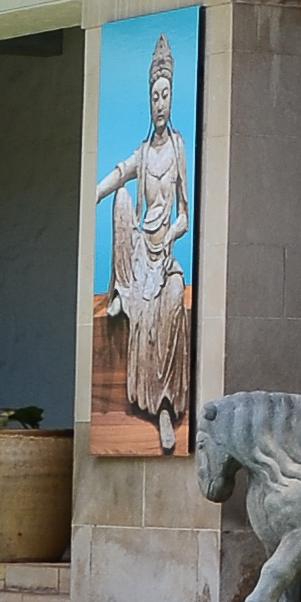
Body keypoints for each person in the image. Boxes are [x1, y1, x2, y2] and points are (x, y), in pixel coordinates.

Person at [87, 30, 199, 454]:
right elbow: (119, 173)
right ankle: (121, 291)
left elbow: (185, 215)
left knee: (171, 304)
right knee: (120, 199)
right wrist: (92, 193)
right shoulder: (143, 151)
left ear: (172, 100)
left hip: (164, 254)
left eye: (165, 95)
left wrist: (171, 232)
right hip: (138, 256)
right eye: (154, 96)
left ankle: (164, 407)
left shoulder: (178, 148)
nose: (159, 103)